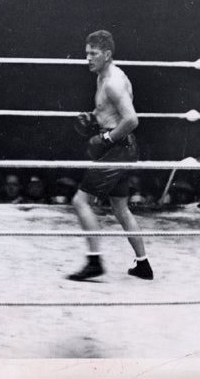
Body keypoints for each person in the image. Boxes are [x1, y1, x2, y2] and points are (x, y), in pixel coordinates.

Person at [68, 30, 153, 281]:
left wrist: (106, 138)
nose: (87, 58)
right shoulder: (102, 76)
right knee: (120, 207)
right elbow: (108, 110)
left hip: (118, 148)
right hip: (121, 147)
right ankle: (143, 265)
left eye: (93, 53)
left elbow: (131, 119)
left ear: (107, 54)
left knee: (80, 202)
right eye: (86, 53)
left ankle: (94, 262)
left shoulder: (113, 82)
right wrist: (94, 117)